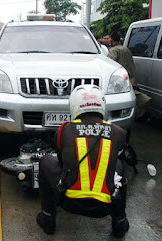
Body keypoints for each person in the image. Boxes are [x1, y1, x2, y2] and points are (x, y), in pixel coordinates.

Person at [37, 85, 130, 238]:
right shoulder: (118, 132)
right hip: (105, 207)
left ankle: (48, 218)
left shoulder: (64, 130)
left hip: (69, 201)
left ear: (74, 105)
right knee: (119, 165)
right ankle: (119, 222)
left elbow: (62, 163)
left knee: (46, 160)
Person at [108, 31, 151, 120]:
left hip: (121, 80)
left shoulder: (113, 51)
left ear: (111, 40)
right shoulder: (126, 49)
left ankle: (144, 102)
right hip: (131, 77)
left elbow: (110, 65)